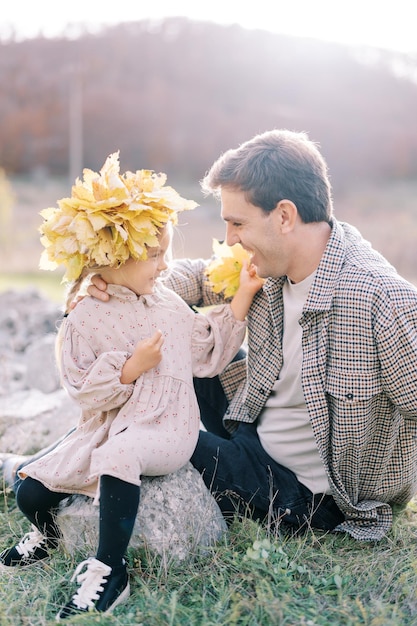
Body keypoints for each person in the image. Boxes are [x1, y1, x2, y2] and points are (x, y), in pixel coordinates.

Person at [3, 128, 417, 544]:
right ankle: (45, 465)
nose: (231, 238)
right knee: (161, 359)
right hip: (247, 418)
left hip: (301, 490)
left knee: (146, 439)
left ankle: (31, 471)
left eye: (238, 223)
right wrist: (111, 283)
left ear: (285, 216)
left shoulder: (380, 300)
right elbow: (191, 277)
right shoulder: (269, 260)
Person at [0, 153, 263, 621]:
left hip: (166, 426)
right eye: (155, 254)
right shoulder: (83, 314)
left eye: (166, 252)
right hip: (108, 425)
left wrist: (241, 295)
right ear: (110, 258)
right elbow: (82, 389)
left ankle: (109, 568)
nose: (165, 265)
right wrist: (128, 369)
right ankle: (50, 533)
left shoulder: (165, 304)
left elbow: (205, 350)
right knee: (31, 489)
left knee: (118, 456)